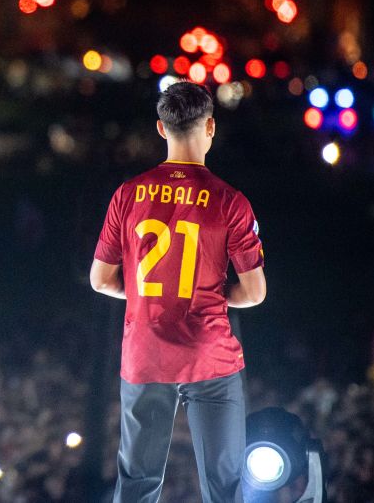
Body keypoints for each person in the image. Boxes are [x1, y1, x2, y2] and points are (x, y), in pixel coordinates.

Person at [90, 81, 267, 503]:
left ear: (160, 128)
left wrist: (150, 296)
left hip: (146, 350)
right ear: (210, 127)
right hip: (209, 352)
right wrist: (205, 295)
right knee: (225, 488)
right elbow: (255, 292)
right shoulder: (231, 202)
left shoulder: (128, 194)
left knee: (136, 484)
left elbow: (100, 280)